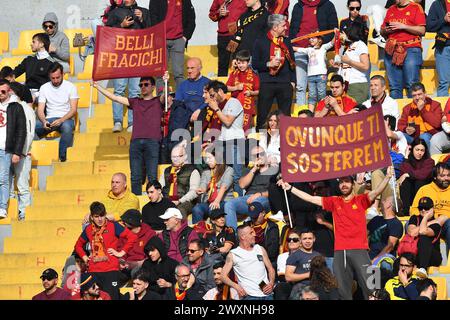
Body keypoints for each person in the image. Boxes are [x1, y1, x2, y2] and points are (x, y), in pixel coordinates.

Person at [278, 166, 395, 300]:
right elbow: (310, 198)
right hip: (340, 251)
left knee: (372, 286)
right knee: (342, 290)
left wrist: (387, 177)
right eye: (341, 182)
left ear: (352, 184)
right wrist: (291, 188)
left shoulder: (360, 200)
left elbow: (376, 191)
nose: (344, 185)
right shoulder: (334, 201)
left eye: (346, 182)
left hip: (360, 249)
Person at [93, 73, 169, 195]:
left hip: (152, 142)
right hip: (136, 142)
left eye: (146, 85)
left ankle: (153, 200)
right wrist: (98, 87)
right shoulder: (135, 102)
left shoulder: (157, 101)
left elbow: (165, 97)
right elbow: (116, 98)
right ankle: (136, 202)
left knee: (152, 175)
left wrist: (166, 81)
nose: (143, 87)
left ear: (153, 87)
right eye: (140, 85)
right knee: (135, 176)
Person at [74, 201, 138, 300]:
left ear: (105, 214)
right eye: (96, 216)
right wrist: (85, 257)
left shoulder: (113, 226)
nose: (100, 219)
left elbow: (132, 237)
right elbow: (78, 246)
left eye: (102, 215)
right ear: (91, 217)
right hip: (93, 271)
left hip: (110, 270)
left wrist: (121, 253)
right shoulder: (88, 229)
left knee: (112, 298)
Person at [106, 0, 151, 133]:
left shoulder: (144, 11)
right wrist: (122, 25)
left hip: (137, 57)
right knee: (119, 89)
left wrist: (142, 19)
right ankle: (118, 121)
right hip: (120, 57)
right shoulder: (114, 13)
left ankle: (132, 122)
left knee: (135, 91)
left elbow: (151, 32)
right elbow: (107, 33)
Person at [289, 0, 338, 108]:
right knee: (300, 86)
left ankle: (321, 111)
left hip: (318, 51)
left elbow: (333, 29)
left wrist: (320, 46)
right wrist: (292, 44)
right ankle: (302, 114)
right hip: (300, 50)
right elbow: (292, 28)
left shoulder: (327, 5)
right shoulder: (298, 6)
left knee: (320, 88)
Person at [252, 14, 296, 130]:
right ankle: (260, 142)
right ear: (275, 27)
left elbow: (292, 63)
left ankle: (285, 142)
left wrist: (293, 81)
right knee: (262, 115)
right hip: (267, 83)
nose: (286, 28)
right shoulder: (260, 41)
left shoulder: (286, 42)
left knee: (285, 116)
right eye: (283, 26)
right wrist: (268, 64)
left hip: (285, 83)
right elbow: (255, 64)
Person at [203, 80, 245, 196]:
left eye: (213, 95)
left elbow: (227, 122)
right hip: (225, 143)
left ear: (220, 91)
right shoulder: (223, 105)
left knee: (236, 175)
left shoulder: (233, 102)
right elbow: (224, 130)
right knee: (226, 174)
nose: (212, 98)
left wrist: (216, 109)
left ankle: (240, 202)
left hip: (236, 143)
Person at [223, 145, 278, 230]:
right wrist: (254, 169)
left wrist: (259, 194)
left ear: (266, 155)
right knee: (229, 204)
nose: (259, 156)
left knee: (255, 204)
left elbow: (276, 191)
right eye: (255, 155)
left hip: (265, 199)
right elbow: (242, 185)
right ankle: (233, 235)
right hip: (247, 199)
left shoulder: (273, 170)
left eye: (261, 154)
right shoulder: (248, 170)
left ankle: (251, 227)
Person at [381, 0, 426, 99]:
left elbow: (422, 30)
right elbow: (382, 30)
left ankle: (414, 113)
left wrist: (403, 26)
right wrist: (385, 30)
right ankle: (396, 114)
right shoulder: (391, 9)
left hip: (411, 48)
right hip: (392, 49)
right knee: (394, 87)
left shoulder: (416, 7)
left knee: (412, 84)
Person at [35, 62, 78, 162]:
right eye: (52, 78)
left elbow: (73, 110)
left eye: (57, 77)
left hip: (65, 118)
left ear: (63, 74)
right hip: (49, 119)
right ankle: (38, 153)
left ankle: (62, 157)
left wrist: (61, 120)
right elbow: (40, 110)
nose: (55, 80)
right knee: (29, 129)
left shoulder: (71, 87)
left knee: (67, 128)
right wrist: (44, 121)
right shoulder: (44, 88)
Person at [149, 0, 196, 90]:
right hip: (161, 39)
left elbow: (191, 18)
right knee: (160, 73)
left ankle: (179, 100)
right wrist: (158, 36)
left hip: (178, 39)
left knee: (178, 73)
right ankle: (162, 100)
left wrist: (186, 37)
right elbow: (153, 17)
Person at [221, 224, 276, 300]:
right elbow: (223, 276)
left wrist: (271, 283)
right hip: (249, 296)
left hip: (267, 295)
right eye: (251, 233)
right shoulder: (234, 254)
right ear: (243, 236)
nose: (255, 234)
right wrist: (237, 287)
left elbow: (271, 269)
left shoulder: (260, 249)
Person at [7, 81, 36, 221]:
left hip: (21, 154)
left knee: (22, 185)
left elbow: (29, 132)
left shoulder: (26, 109)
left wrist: (20, 152)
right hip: (8, 152)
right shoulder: (7, 108)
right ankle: (11, 211)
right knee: (8, 186)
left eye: (9, 91)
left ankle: (24, 213)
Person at [0, 79, 26, 219]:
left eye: (3, 91)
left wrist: (17, 152)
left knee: (3, 179)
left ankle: (2, 207)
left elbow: (21, 131)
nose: (0, 94)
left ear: (9, 91)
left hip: (6, 148)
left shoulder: (16, 107)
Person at [412, 163, 450, 253]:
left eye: (448, 175)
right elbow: (414, 210)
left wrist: (444, 217)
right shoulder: (424, 189)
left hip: (447, 224)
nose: (446, 178)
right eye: (442, 175)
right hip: (427, 221)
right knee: (409, 224)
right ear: (435, 177)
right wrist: (427, 217)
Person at [293, 32, 335, 111]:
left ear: (319, 40)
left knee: (321, 95)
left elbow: (332, 43)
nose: (310, 39)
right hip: (311, 77)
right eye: (309, 38)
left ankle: (321, 112)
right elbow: (297, 49)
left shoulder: (323, 48)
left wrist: (336, 34)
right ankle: (310, 113)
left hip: (321, 76)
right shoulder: (309, 49)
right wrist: (287, 44)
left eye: (313, 38)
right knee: (311, 95)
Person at [159, 141, 200, 218]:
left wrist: (180, 201)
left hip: (185, 201)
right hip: (167, 200)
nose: (175, 159)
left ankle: (182, 230)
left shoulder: (193, 170)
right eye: (173, 157)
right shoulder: (166, 170)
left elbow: (194, 191)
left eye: (178, 156)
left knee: (180, 210)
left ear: (185, 156)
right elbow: (159, 187)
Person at [192, 149, 234, 223]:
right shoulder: (206, 172)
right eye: (206, 159)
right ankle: (199, 232)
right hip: (209, 202)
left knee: (213, 208)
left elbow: (223, 187)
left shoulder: (229, 170)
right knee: (196, 209)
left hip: (223, 201)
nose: (207, 161)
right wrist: (201, 189)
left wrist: (216, 201)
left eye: (210, 158)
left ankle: (214, 233)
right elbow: (203, 184)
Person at [397, 82, 443, 148]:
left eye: (419, 94)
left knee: (423, 137)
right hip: (413, 136)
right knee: (398, 135)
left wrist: (422, 109)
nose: (417, 97)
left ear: (425, 94)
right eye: (414, 95)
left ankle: (428, 158)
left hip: (430, 134)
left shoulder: (435, 105)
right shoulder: (407, 108)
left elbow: (437, 123)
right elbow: (400, 125)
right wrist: (406, 129)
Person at [334, 23, 371, 104]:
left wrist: (348, 61)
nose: (342, 35)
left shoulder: (360, 45)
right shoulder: (350, 46)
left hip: (357, 85)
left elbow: (365, 66)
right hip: (348, 85)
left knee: (355, 112)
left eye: (344, 33)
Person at [209, 0, 247, 76]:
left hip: (238, 34)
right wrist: (219, 14)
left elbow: (251, 13)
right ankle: (221, 86)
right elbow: (211, 15)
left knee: (240, 63)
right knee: (223, 64)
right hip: (223, 35)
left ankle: (241, 85)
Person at [398, 138, 435, 216]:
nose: (419, 153)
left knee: (419, 181)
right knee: (406, 181)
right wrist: (406, 157)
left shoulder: (429, 161)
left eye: (422, 150)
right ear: (412, 149)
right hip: (409, 195)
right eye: (417, 149)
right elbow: (403, 173)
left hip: (423, 195)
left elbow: (423, 174)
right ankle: (406, 210)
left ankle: (420, 209)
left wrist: (408, 174)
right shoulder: (408, 160)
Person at [226, 49, 260, 131]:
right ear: (236, 62)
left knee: (245, 131)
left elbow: (258, 91)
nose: (241, 65)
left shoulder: (254, 76)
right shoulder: (233, 74)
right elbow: (226, 88)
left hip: (247, 107)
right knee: (233, 129)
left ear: (248, 63)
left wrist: (251, 93)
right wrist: (236, 88)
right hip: (234, 107)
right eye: (239, 63)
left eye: (243, 63)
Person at [171, 58, 210, 129]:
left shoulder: (207, 83)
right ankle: (177, 138)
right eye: (188, 68)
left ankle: (195, 138)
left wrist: (199, 110)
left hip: (201, 114)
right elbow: (178, 102)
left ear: (200, 68)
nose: (189, 71)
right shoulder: (183, 84)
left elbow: (210, 100)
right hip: (185, 115)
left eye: (192, 68)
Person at [406, 196, 442, 273]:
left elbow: (422, 231)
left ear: (432, 209)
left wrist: (425, 217)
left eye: (426, 208)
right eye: (421, 208)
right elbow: (411, 232)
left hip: (432, 257)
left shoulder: (436, 224)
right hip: (416, 253)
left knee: (423, 238)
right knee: (397, 262)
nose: (423, 210)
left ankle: (423, 269)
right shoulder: (414, 218)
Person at [284, 229, 322, 300]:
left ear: (314, 239)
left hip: (316, 288)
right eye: (305, 239)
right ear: (300, 240)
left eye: (310, 238)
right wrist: (308, 274)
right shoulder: (294, 256)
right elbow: (288, 277)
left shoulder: (318, 255)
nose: (307, 241)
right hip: (300, 289)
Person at [118, 209, 156, 279]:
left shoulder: (149, 234)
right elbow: (120, 250)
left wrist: (138, 263)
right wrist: (121, 261)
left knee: (136, 272)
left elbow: (153, 255)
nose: (122, 223)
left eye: (124, 222)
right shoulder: (124, 234)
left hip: (142, 265)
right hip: (127, 265)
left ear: (132, 222)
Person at [367, 196, 404, 264]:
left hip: (385, 257)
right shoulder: (375, 219)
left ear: (389, 205)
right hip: (369, 255)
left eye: (385, 200)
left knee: (384, 264)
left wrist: (375, 260)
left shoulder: (396, 224)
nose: (382, 201)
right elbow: (365, 236)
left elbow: (390, 246)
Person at [426, 0, 450, 97]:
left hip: (443, 47)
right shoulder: (437, 4)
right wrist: (443, 19)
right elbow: (429, 26)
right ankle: (443, 111)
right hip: (443, 46)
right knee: (443, 83)